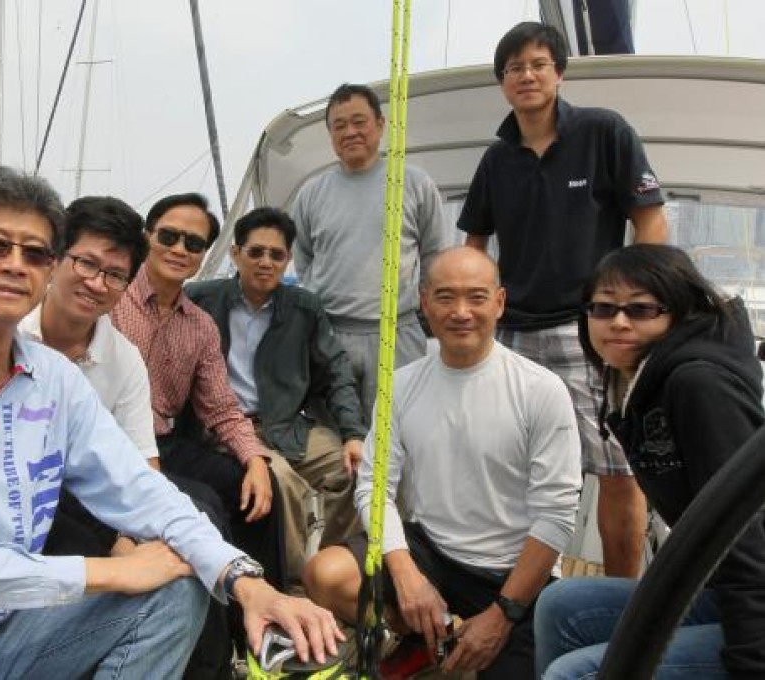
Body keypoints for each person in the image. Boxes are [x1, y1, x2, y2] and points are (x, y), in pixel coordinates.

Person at [0, 167, 342, 678]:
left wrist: (247, 580)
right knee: (149, 569)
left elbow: (140, 487)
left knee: (182, 582)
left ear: (46, 270)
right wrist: (110, 571)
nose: (16, 263)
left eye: (34, 253)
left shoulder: (54, 377)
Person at [303, 247, 582, 678]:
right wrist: (408, 576)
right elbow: (375, 486)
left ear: (500, 302)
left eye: (477, 297)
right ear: (424, 302)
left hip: (514, 574)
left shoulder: (541, 390)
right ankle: (426, 635)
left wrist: (502, 615)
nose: (461, 312)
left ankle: (447, 638)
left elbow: (557, 516)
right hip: (431, 553)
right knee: (326, 574)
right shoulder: (402, 385)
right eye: (446, 297)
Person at [458, 21, 670, 578]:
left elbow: (650, 223)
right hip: (513, 334)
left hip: (589, 333)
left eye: (537, 64)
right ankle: (514, 588)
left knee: (618, 471)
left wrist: (632, 311)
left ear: (559, 72)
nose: (526, 76)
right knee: (513, 469)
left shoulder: (604, 132)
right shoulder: (496, 161)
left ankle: (621, 601)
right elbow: (474, 245)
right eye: (514, 68)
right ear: (502, 83)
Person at [535, 244, 765, 678]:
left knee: (576, 674)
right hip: (720, 584)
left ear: (678, 313)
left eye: (641, 310)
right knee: (561, 605)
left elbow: (746, 535)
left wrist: (750, 660)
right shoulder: (630, 380)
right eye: (603, 308)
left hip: (755, 601)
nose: (618, 322)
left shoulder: (698, 385)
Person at [111, 192, 287, 588]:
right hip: (112, 445)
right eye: (169, 236)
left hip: (164, 443)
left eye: (193, 244)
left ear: (205, 255)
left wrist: (255, 461)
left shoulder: (200, 326)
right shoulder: (112, 300)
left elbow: (222, 408)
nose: (179, 249)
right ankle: (220, 628)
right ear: (147, 238)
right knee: (203, 507)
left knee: (256, 489)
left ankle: (266, 618)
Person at [186, 206, 367, 585]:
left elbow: (337, 373)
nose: (266, 262)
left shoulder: (303, 308)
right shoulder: (200, 299)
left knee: (350, 469)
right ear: (236, 254)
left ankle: (334, 573)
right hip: (226, 428)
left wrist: (353, 434)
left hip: (285, 424)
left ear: (288, 260)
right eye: (256, 252)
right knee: (278, 479)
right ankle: (289, 585)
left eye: (277, 254)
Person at [292, 82, 444, 416]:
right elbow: (303, 260)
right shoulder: (311, 194)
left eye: (359, 122)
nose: (350, 132)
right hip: (330, 334)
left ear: (380, 123)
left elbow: (434, 254)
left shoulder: (414, 183)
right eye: (339, 126)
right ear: (330, 134)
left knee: (403, 431)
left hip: (398, 332)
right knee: (334, 435)